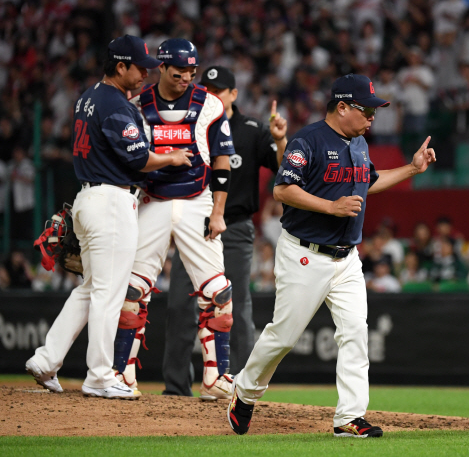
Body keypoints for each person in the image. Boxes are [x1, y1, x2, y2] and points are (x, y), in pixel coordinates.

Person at [227, 73, 436, 437]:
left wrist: (412, 168)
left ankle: (349, 418)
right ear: (342, 107)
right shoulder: (308, 139)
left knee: (355, 332)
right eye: (366, 110)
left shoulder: (358, 144)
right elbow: (282, 190)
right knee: (283, 337)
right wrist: (330, 206)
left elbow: (368, 181)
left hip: (347, 258)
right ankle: (244, 392)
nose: (372, 118)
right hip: (305, 254)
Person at [25, 35, 191, 399]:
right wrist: (173, 157)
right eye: (139, 68)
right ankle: (100, 376)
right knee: (108, 292)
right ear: (120, 66)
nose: (146, 75)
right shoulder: (115, 103)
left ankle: (46, 359)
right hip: (111, 202)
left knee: (90, 288)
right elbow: (140, 159)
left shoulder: (88, 97)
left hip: (89, 198)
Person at [112, 40, 236, 401]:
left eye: (191, 74)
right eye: (179, 72)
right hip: (151, 199)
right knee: (131, 291)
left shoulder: (210, 104)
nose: (186, 79)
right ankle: (123, 373)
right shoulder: (138, 105)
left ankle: (215, 378)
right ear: (162, 69)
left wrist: (218, 211)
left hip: (198, 201)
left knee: (219, 293)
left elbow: (223, 160)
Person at [161, 65, 287, 397]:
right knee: (178, 305)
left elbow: (282, 167)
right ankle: (175, 389)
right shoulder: (189, 123)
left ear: (234, 94)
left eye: (219, 90)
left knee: (238, 306)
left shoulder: (250, 129)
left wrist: (279, 139)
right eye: (208, 89)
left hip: (234, 227)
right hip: (193, 224)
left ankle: (240, 386)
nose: (212, 95)